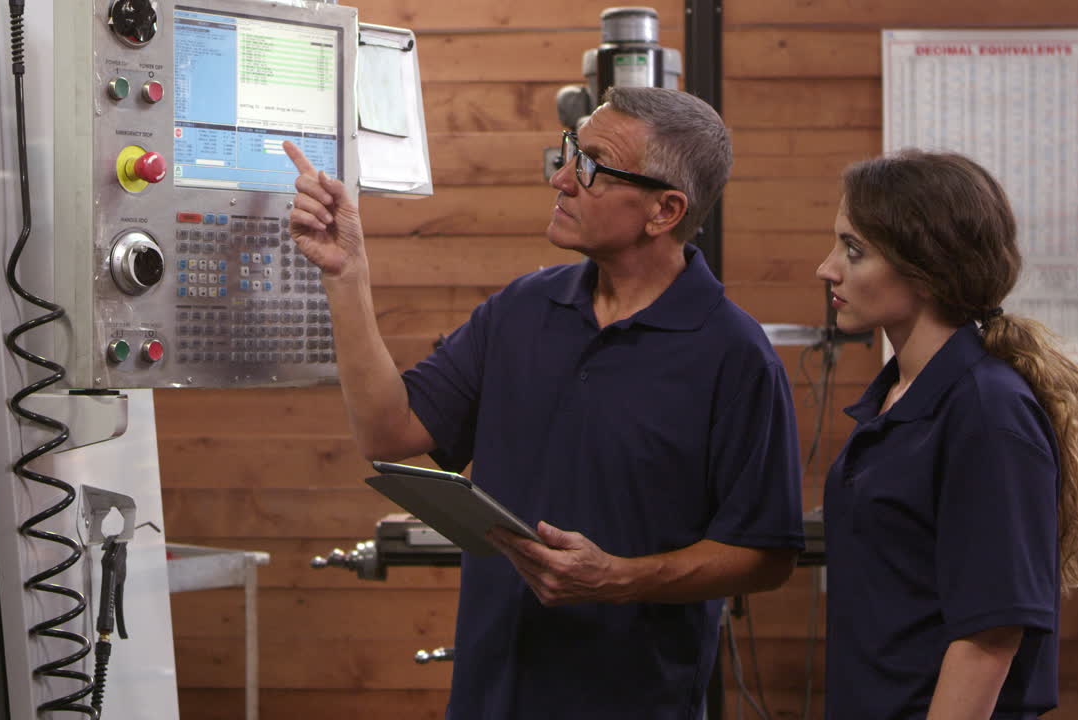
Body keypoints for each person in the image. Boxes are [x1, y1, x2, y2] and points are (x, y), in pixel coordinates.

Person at [285, 86, 804, 719]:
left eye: (589, 165)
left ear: (665, 210)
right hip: (490, 695)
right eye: (566, 154)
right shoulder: (522, 309)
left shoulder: (735, 355)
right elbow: (390, 431)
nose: (561, 179)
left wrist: (618, 579)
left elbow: (766, 554)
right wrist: (346, 275)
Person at [815, 149, 1078, 719]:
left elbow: (990, 637)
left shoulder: (986, 410)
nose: (827, 268)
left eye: (853, 251)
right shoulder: (899, 396)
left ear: (926, 269)